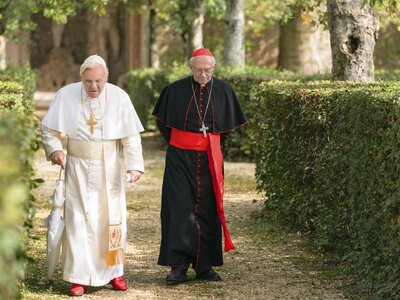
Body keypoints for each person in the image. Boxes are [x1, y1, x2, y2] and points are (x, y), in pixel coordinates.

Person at [41, 55, 144, 296]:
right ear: (81, 78)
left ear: (106, 77)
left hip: (109, 167)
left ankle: (115, 272)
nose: (94, 87)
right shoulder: (66, 95)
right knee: (78, 221)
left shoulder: (119, 97)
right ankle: (78, 277)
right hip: (76, 167)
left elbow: (130, 137)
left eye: (98, 81)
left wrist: (134, 165)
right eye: (88, 81)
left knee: (112, 220)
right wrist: (56, 149)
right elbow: (48, 129)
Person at [152, 47, 247, 283]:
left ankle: (204, 266)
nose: (203, 74)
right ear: (190, 67)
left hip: (209, 158)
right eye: (198, 70)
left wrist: (208, 144)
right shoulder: (173, 91)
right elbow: (164, 126)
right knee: (178, 208)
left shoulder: (224, 90)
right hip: (179, 159)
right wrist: (184, 143)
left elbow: (226, 130)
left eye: (207, 70)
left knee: (208, 209)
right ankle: (179, 266)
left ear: (213, 68)